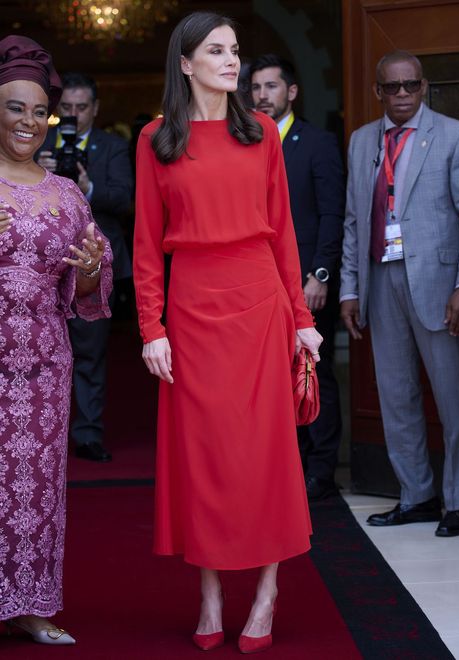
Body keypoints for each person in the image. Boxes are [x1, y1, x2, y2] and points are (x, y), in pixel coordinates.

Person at [133, 11, 322, 653]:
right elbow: (145, 245)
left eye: (235, 49)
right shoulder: (156, 139)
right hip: (190, 309)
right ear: (185, 64)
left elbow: (285, 234)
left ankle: (266, 591)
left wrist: (302, 319)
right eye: (216, 50)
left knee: (266, 452)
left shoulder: (263, 131)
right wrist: (149, 327)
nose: (231, 60)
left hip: (260, 302)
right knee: (204, 457)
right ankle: (211, 592)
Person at [0, 36, 112, 643]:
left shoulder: (65, 192)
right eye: (15, 107)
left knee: (36, 486)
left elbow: (88, 285)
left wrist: (92, 267)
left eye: (38, 111)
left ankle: (31, 605)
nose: (28, 121)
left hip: (43, 362)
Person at [340, 50, 459, 537]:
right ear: (378, 92)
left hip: (437, 284)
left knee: (452, 398)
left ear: (424, 86)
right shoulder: (361, 141)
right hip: (381, 276)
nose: (402, 96)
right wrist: (349, 289)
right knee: (396, 395)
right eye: (391, 88)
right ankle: (416, 496)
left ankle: (457, 500)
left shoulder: (453, 135)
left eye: (410, 86)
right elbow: (354, 220)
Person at [250, 54, 345, 501]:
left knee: (313, 370)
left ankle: (321, 471)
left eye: (271, 87)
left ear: (291, 92)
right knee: (272, 374)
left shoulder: (318, 142)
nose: (262, 95)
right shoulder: (247, 142)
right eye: (256, 87)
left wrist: (320, 274)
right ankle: (287, 464)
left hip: (307, 279)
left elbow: (332, 214)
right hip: (260, 280)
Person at [38, 73, 133, 462]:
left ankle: (88, 433)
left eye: (81, 108)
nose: (74, 114)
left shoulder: (112, 147)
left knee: (90, 352)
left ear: (95, 109)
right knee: (40, 352)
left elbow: (126, 199)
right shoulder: (37, 142)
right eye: (68, 108)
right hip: (43, 265)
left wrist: (88, 186)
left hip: (93, 262)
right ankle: (43, 434)